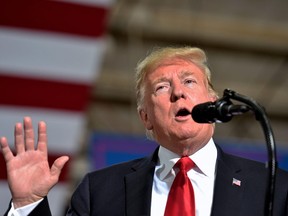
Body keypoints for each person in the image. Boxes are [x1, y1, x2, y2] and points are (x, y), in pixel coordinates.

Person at [1, 46, 288, 216]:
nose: (178, 93)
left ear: (213, 103)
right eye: (162, 87)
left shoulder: (274, 188)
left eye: (189, 82)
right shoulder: (100, 192)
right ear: (146, 117)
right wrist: (28, 205)